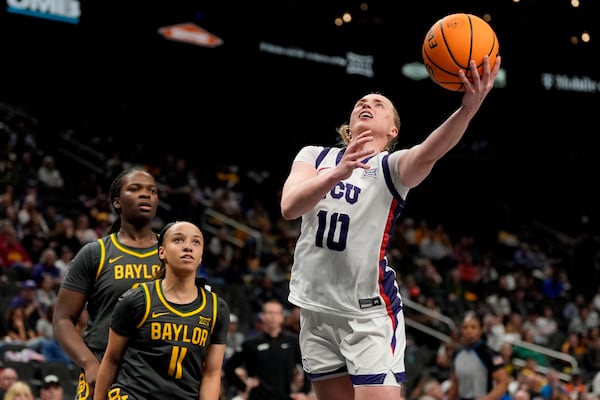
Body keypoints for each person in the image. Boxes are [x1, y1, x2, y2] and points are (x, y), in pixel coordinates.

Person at [279, 54, 501, 400]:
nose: (368, 103)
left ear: (392, 129)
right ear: (349, 126)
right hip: (316, 310)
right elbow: (290, 207)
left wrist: (468, 109)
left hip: (367, 316)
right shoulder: (315, 157)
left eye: (379, 104)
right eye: (361, 103)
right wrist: (337, 173)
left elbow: (429, 152)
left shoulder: (390, 168)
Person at [52, 167, 161, 399]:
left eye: (152, 191)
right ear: (117, 202)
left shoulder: (172, 252)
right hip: (105, 369)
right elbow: (62, 318)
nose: (146, 194)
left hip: (157, 373)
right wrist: (89, 363)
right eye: (135, 189)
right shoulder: (96, 253)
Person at [93, 221, 230, 400]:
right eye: (178, 240)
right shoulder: (136, 299)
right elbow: (111, 360)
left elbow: (211, 373)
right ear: (162, 252)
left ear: (201, 256)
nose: (188, 247)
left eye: (196, 242)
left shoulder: (216, 309)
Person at [223, 298, 309, 400]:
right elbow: (228, 367)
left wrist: (304, 391)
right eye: (269, 313)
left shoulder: (292, 341)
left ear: (282, 317)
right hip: (258, 397)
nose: (273, 317)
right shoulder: (251, 343)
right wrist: (243, 386)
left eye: (276, 313)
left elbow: (308, 366)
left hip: (285, 396)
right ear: (262, 316)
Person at [446, 311, 509, 400]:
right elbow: (455, 383)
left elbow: (503, 383)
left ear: (481, 330)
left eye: (473, 327)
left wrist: (486, 399)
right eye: (465, 327)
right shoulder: (457, 353)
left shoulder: (489, 354)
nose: (469, 331)